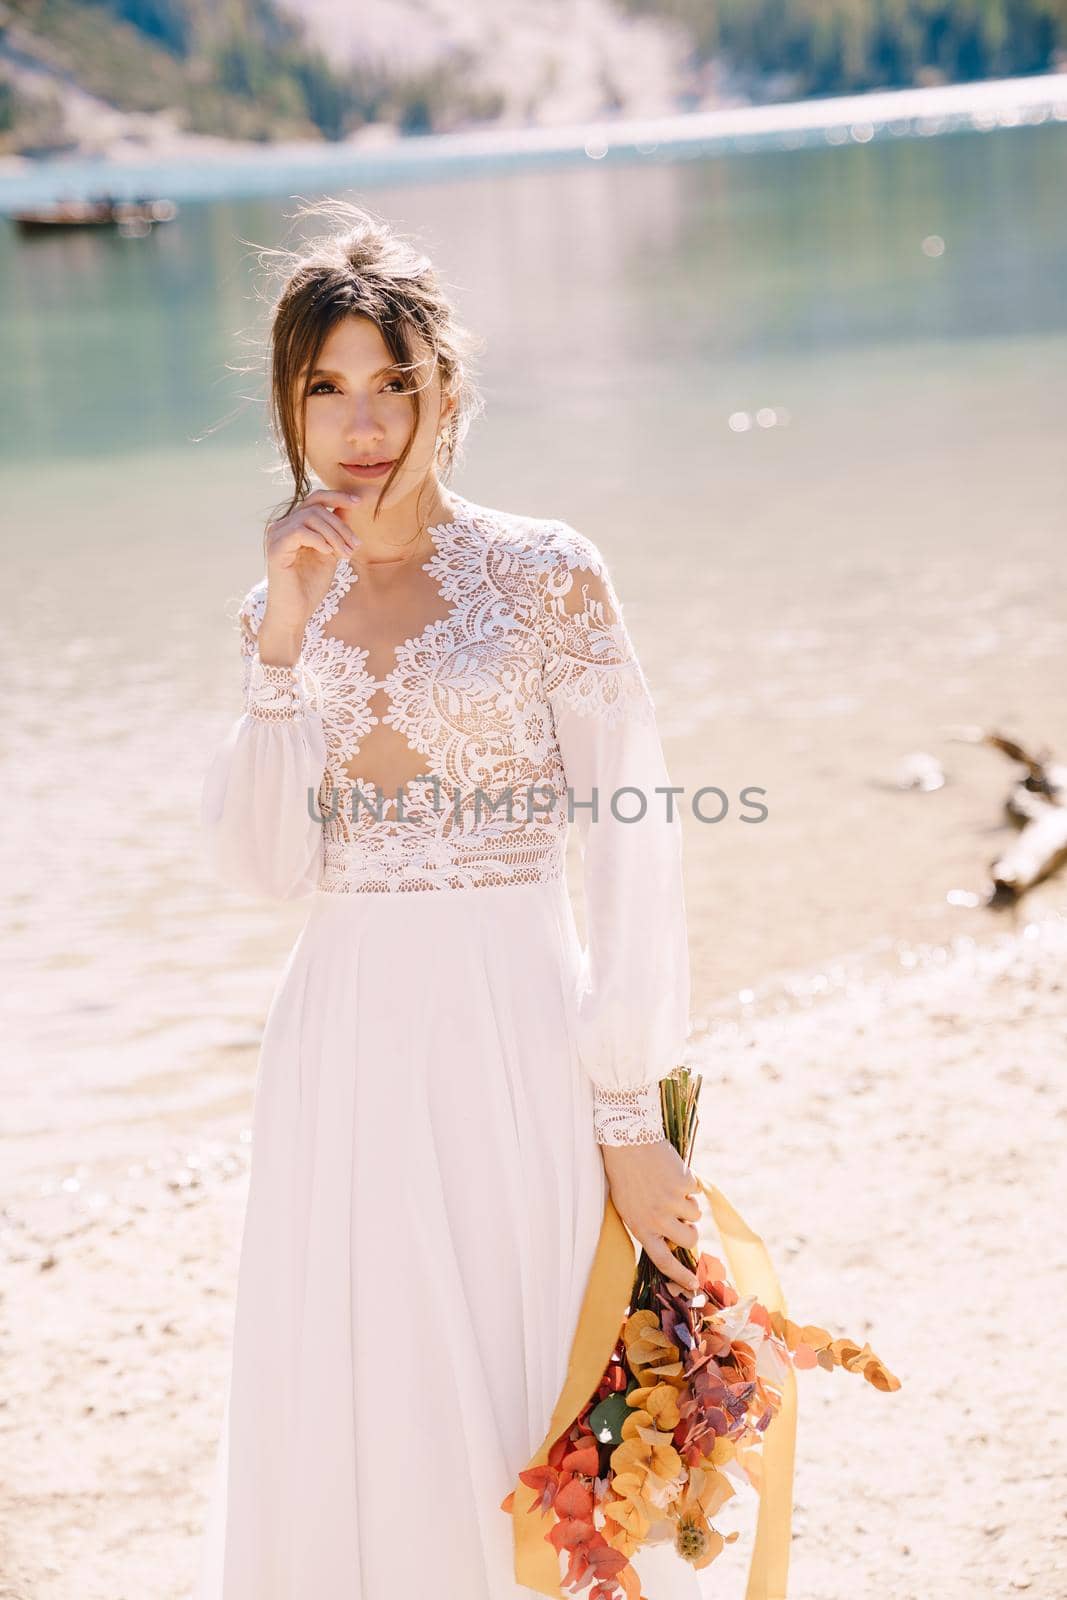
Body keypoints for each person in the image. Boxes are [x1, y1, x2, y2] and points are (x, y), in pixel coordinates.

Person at [194, 198, 704, 1600]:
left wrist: (627, 1110)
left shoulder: (549, 575)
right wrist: (283, 640)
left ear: (447, 391)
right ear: (291, 407)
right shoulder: (271, 610)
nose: (363, 425)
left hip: (516, 1032)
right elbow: (266, 872)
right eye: (327, 389)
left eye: (392, 385)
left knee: (530, 1372)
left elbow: (634, 843)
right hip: (343, 1045)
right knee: (364, 1391)